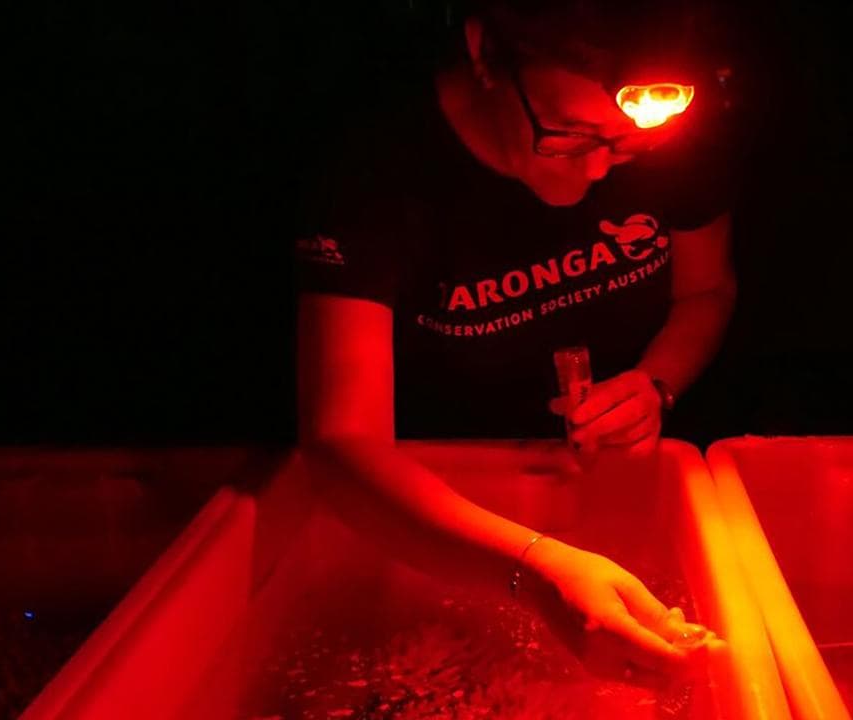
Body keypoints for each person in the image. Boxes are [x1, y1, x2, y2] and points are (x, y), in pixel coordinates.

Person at [296, 0, 739, 687]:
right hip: (432, 517)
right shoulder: (377, 167)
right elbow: (340, 443)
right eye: (568, 133)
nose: (599, 172)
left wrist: (657, 382)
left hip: (615, 493)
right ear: (485, 55)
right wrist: (535, 569)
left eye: (628, 146)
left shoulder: (678, 129)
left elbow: (705, 292)